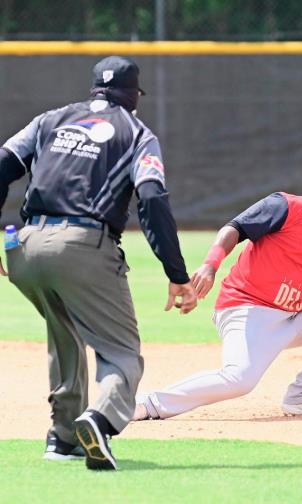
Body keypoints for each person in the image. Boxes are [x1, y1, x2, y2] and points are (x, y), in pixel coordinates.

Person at [0, 56, 198, 470]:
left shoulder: (50, 120)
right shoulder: (137, 134)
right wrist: (177, 274)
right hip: (82, 245)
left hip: (25, 246)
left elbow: (3, 164)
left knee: (65, 334)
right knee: (121, 352)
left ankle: (62, 437)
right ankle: (100, 419)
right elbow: (152, 199)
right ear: (133, 95)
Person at [132, 161, 302, 421]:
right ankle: (147, 404)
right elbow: (234, 228)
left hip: (297, 315)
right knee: (239, 380)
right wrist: (210, 266)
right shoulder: (288, 207)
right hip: (247, 309)